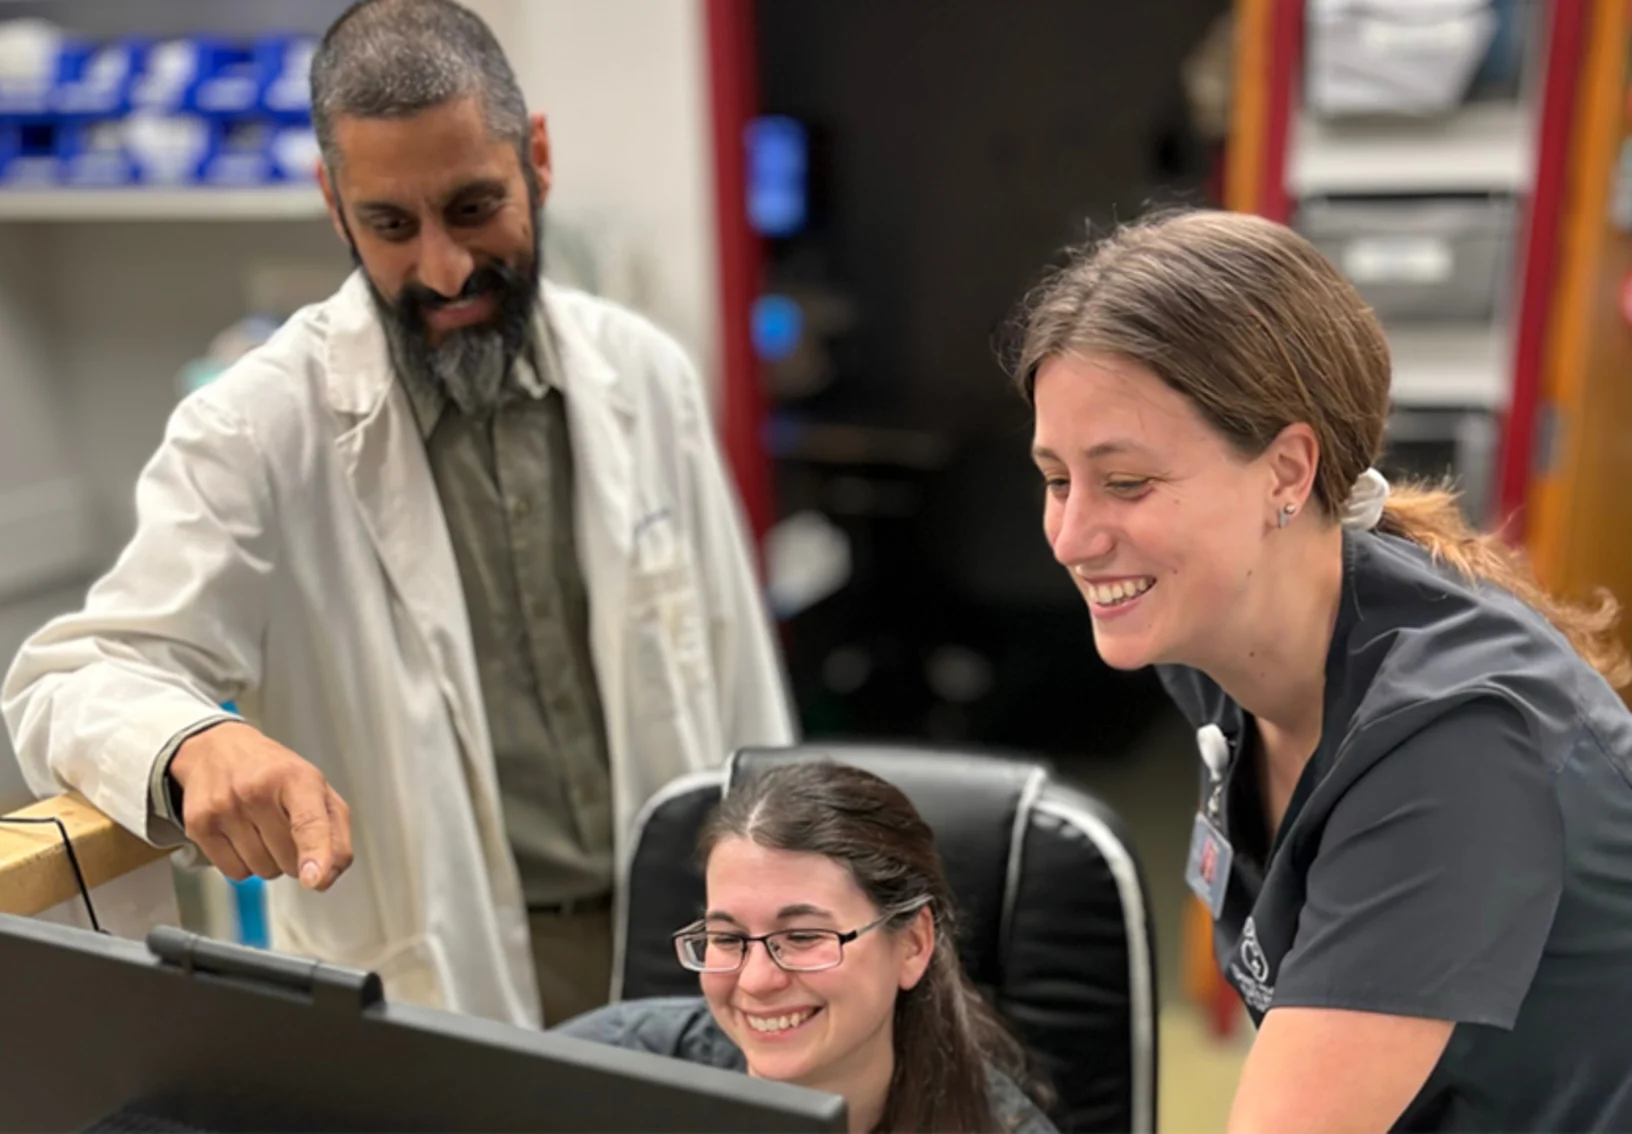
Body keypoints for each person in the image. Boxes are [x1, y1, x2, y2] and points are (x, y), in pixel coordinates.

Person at [1, 0, 794, 1030]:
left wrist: (792, 911)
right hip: (436, 977)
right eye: (391, 226)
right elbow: (68, 681)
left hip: (682, 937)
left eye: (474, 207)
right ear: (334, 205)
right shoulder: (255, 428)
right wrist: (195, 739)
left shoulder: (645, 375)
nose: (445, 269)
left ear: (537, 159)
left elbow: (742, 683)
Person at [1015, 208, 1632, 1132]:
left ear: (1287, 472)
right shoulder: (1223, 640)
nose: (1071, 537)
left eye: (1127, 482)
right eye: (1057, 479)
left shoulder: (1454, 747)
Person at [554, 761, 1056, 1134]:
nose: (756, 981)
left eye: (802, 937)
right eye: (727, 939)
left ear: (912, 944)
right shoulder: (600, 1069)